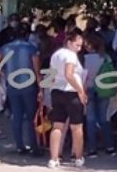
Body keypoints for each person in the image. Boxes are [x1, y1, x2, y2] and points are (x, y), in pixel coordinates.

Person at [0, 23, 42, 155]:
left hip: (12, 86)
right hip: (29, 86)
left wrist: (3, 72)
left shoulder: (6, 48)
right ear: (26, 35)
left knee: (17, 116)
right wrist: (41, 89)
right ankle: (33, 147)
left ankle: (20, 146)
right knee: (31, 117)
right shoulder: (31, 48)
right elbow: (37, 71)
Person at [48, 30, 87, 169]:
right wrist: (81, 91)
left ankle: (53, 158)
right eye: (77, 45)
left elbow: (52, 75)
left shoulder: (55, 55)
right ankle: (78, 157)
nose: (79, 48)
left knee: (57, 126)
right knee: (77, 127)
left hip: (56, 91)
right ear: (69, 43)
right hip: (71, 92)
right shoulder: (70, 55)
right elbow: (69, 75)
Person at [82, 33, 115, 157]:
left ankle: (92, 149)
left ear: (90, 45)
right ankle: (109, 147)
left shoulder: (85, 59)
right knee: (105, 118)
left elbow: (83, 77)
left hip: (89, 89)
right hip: (104, 89)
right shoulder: (106, 57)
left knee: (90, 120)